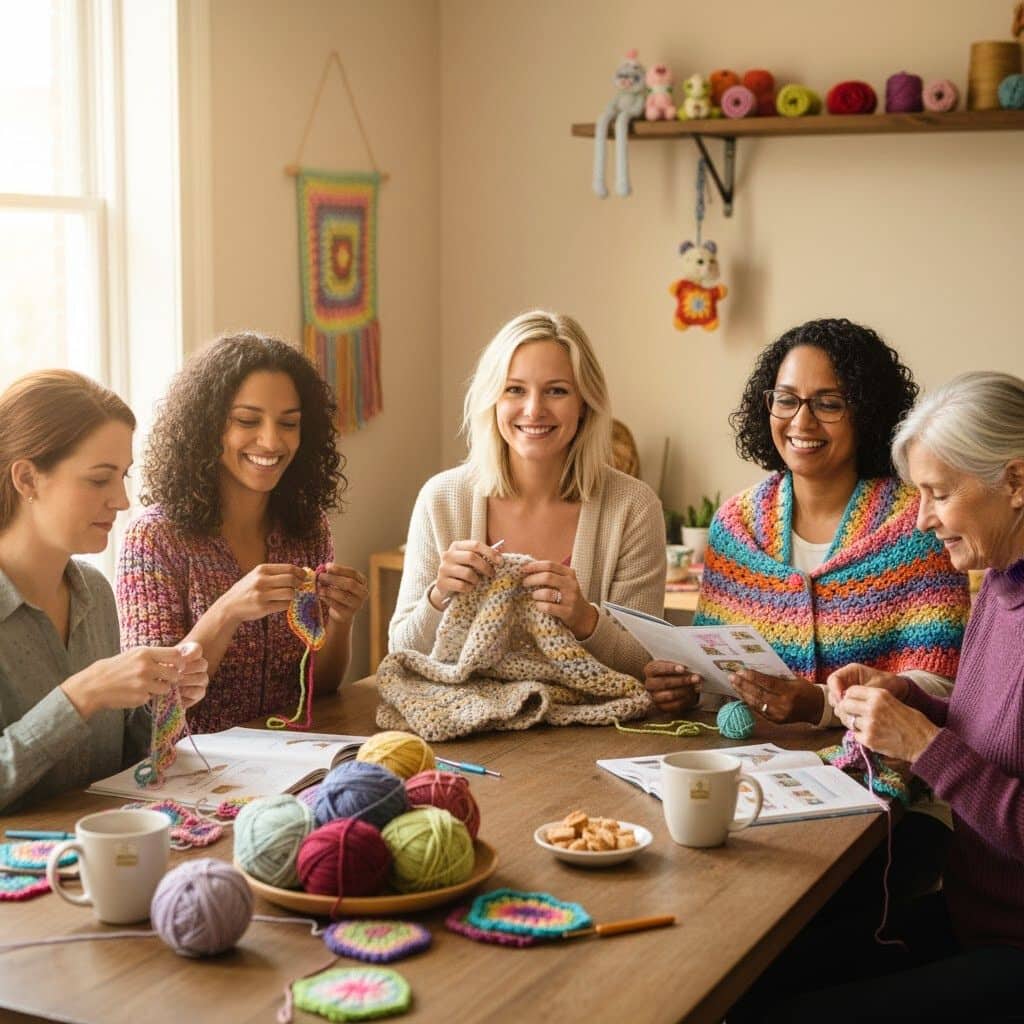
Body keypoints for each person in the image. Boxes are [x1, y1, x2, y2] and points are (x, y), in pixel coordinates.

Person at [744, 371, 1024, 1021]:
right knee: (750, 981)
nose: (923, 518)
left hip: (1011, 945)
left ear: (1015, 481)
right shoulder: (1000, 582)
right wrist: (905, 698)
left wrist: (923, 746)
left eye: (940, 493)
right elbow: (997, 729)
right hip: (972, 918)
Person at [642, 318, 969, 725]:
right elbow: (714, 679)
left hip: (872, 760)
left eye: (828, 404)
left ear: (867, 413)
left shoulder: (919, 525)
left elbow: (944, 688)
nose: (801, 422)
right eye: (786, 400)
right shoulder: (736, 525)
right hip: (747, 756)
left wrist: (822, 706)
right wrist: (685, 689)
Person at [389, 310, 665, 678]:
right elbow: (402, 651)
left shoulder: (633, 507)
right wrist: (439, 596)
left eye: (557, 391)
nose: (534, 410)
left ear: (585, 403)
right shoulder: (441, 500)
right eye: (515, 389)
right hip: (464, 709)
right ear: (493, 399)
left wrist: (585, 620)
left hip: (587, 713)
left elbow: (644, 662)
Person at [117, 333, 367, 733]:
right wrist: (227, 611)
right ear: (206, 426)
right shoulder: (154, 539)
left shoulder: (307, 528)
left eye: (289, 423)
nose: (271, 441)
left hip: (294, 752)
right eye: (247, 421)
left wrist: (341, 619)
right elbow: (154, 706)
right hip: (197, 763)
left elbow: (319, 688)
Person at [0, 370, 208, 812]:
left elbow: (122, 763)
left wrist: (162, 701)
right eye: (99, 479)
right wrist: (82, 695)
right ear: (27, 479)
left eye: (123, 476)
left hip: (105, 842)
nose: (122, 500)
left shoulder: (94, 592)